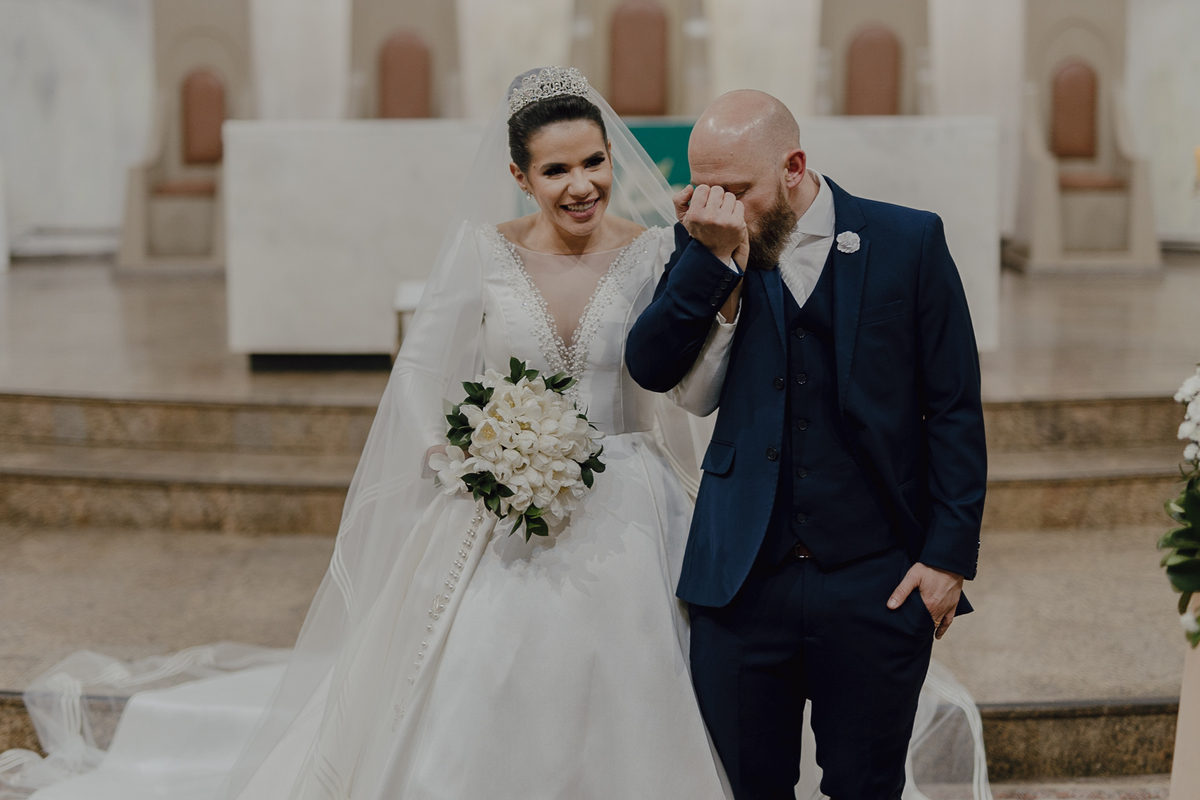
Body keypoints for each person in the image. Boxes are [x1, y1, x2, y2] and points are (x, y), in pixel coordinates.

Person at [6, 73, 990, 800]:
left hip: (651, 511)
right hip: (512, 511)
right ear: (519, 175)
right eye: (556, 169)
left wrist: (946, 556)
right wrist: (468, 452)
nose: (581, 184)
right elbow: (442, 378)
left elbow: (712, 386)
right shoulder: (525, 253)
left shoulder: (706, 246)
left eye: (595, 162)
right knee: (483, 698)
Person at [625, 90, 988, 800]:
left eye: (735, 190)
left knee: (864, 786)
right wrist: (709, 260)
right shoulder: (705, 239)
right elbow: (651, 364)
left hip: (875, 576)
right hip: (741, 578)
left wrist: (948, 558)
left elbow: (952, 408)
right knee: (744, 786)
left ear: (793, 166)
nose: (715, 206)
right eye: (702, 188)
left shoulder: (908, 242)